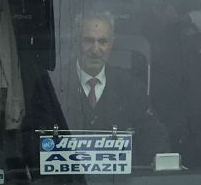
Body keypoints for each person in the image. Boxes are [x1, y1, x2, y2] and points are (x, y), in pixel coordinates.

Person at [38, 10, 168, 160]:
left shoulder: (131, 86)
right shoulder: (50, 85)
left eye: (102, 42)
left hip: (120, 182)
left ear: (111, 44)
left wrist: (126, 166)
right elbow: (31, 140)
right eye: (88, 41)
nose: (95, 50)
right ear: (76, 41)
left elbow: (155, 137)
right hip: (66, 181)